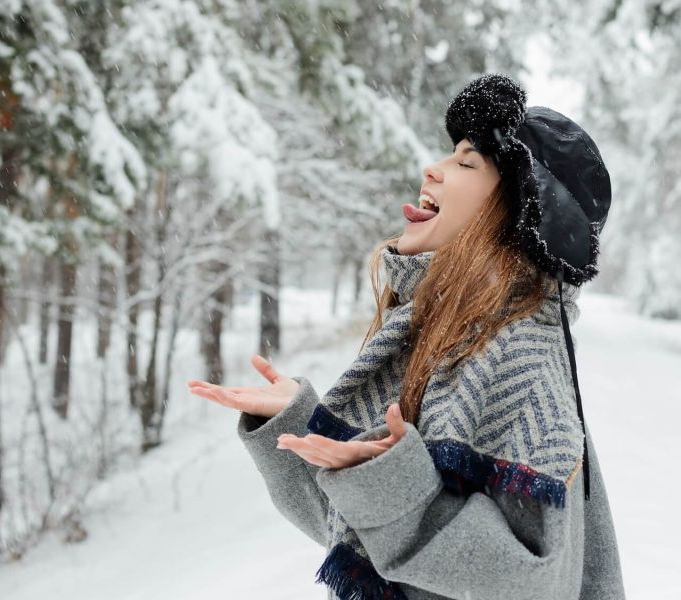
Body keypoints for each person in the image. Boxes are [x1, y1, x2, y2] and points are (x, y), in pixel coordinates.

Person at [188, 73, 626, 600]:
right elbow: (356, 535)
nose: (432, 169)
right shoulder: (433, 333)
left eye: (466, 163)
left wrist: (395, 485)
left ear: (514, 218)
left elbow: (529, 582)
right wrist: (294, 423)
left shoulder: (519, 356)